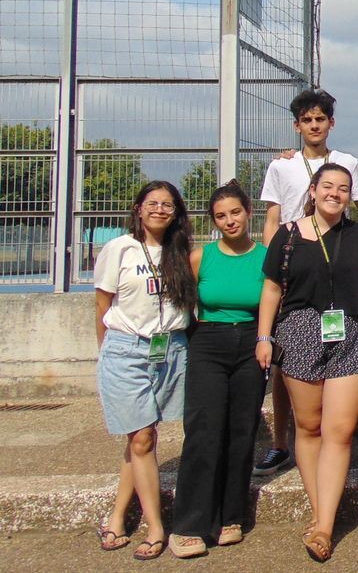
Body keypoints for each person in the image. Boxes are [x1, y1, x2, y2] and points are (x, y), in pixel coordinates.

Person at [256, 163, 358, 563]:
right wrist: (264, 336)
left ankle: (323, 525)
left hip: (348, 334)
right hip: (298, 331)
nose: (335, 194)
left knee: (340, 430)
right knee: (308, 427)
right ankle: (321, 507)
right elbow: (271, 289)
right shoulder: (287, 236)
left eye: (343, 188)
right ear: (314, 190)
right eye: (328, 187)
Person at [256, 88, 358, 478]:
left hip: (334, 270)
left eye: (321, 119)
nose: (315, 125)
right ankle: (280, 444)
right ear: (297, 125)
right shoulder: (281, 166)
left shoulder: (346, 163)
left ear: (331, 123)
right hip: (295, 265)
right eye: (307, 120)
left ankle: (297, 445)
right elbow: (272, 219)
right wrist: (276, 265)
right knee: (289, 369)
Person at [93, 181, 195, 561]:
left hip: (170, 350)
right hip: (127, 350)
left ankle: (117, 516)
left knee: (141, 439)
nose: (159, 210)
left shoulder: (180, 251)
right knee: (142, 438)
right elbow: (102, 304)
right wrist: (106, 353)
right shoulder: (119, 248)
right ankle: (155, 527)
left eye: (168, 204)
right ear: (138, 208)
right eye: (152, 203)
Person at [169, 181, 267, 559]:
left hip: (250, 341)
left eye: (235, 213)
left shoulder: (265, 256)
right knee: (204, 430)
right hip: (207, 341)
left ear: (249, 212)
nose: (230, 221)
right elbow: (182, 306)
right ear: (213, 221)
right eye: (221, 216)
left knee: (242, 432)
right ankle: (190, 525)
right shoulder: (200, 257)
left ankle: (231, 516)